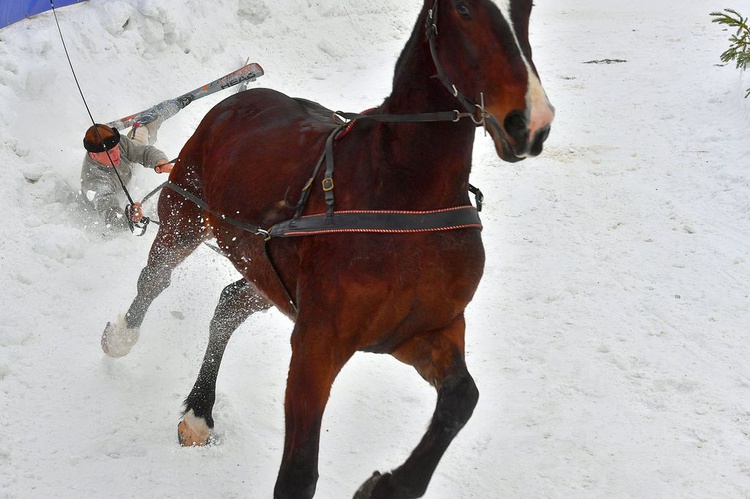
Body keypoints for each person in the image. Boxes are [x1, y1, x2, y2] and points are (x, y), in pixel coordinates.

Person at [80, 122, 172, 231]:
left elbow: (144, 152)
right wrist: (130, 217)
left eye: (117, 148)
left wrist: (160, 162)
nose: (117, 154)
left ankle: (144, 122)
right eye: (110, 152)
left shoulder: (119, 144)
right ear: (93, 155)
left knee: (143, 134)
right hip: (105, 207)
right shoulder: (95, 182)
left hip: (129, 168)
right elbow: (112, 218)